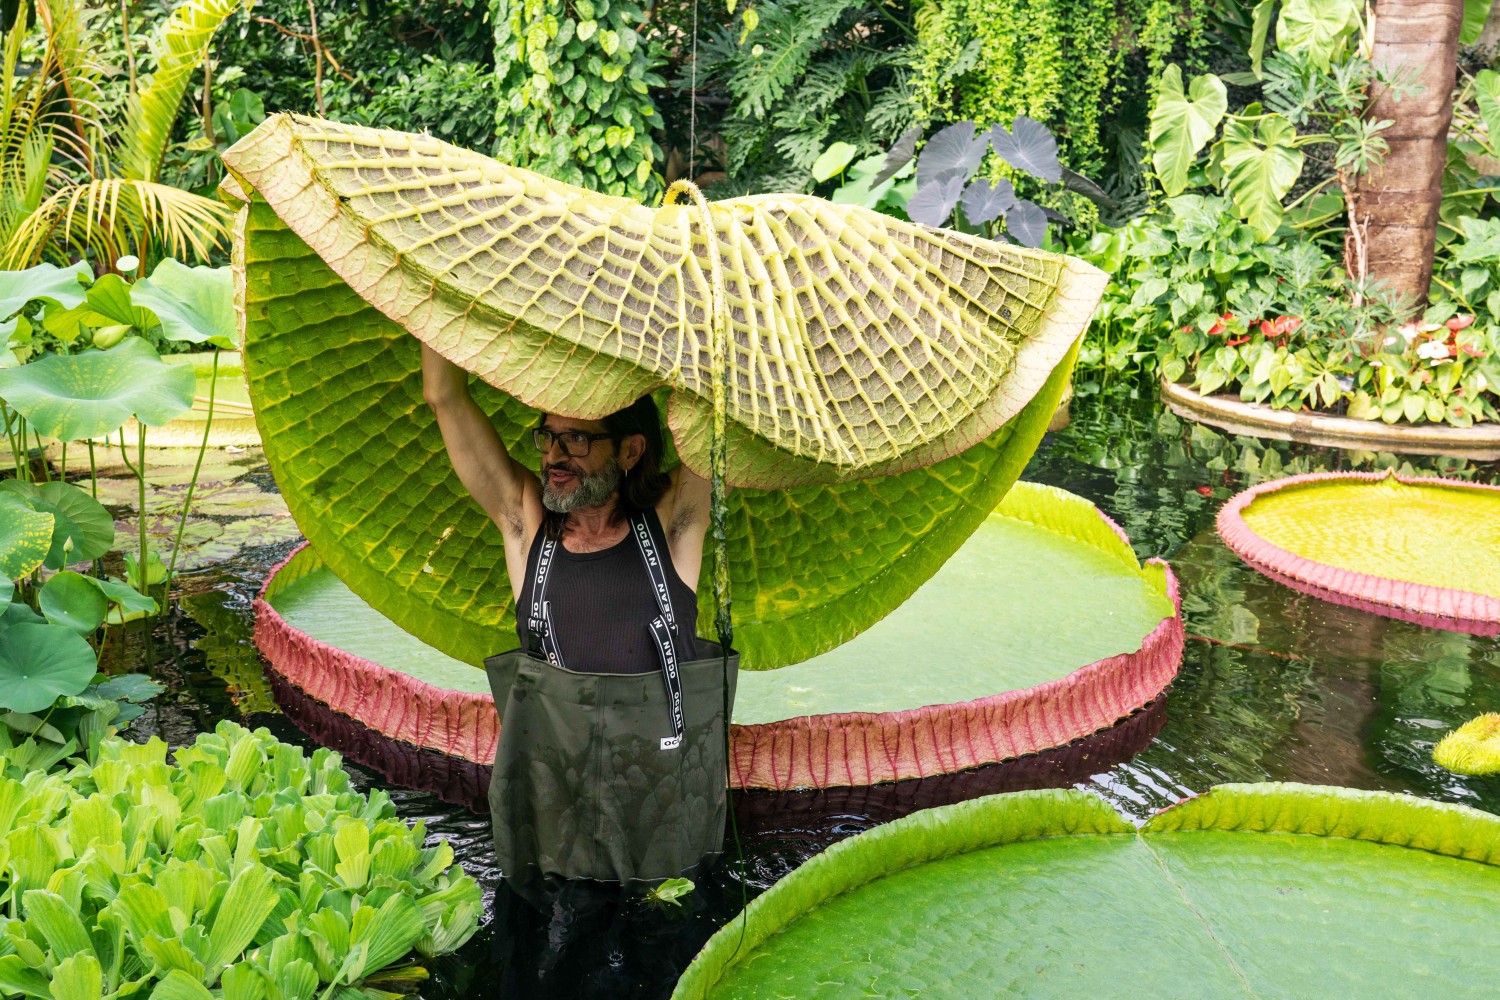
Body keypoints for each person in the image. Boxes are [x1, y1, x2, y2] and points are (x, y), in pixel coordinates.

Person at [420, 344, 739, 908]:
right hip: (553, 848)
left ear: (631, 450)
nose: (554, 456)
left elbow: (716, 412)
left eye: (578, 439)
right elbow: (444, 396)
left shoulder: (673, 524)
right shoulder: (525, 526)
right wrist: (427, 281)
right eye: (548, 437)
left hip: (665, 845)